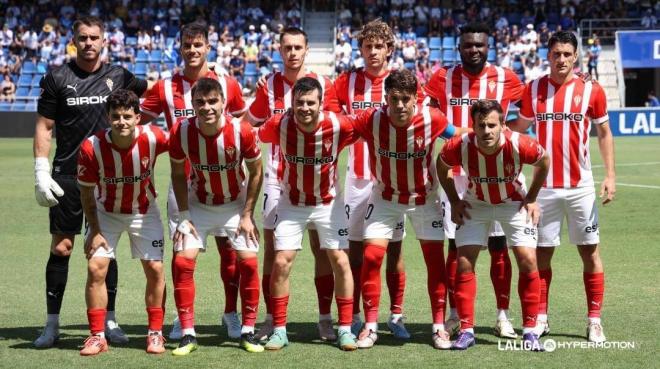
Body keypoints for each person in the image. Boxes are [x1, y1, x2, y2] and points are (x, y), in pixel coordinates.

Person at [32, 15, 151, 348]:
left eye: (94, 38)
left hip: (109, 178)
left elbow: (153, 98)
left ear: (104, 40)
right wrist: (41, 169)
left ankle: (109, 321)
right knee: (62, 246)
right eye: (82, 38)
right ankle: (52, 324)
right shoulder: (57, 78)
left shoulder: (119, 76)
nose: (88, 43)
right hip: (68, 175)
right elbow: (44, 126)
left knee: (104, 250)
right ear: (74, 40)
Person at [140, 21, 248, 341]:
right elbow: (137, 118)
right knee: (183, 254)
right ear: (180, 47)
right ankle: (181, 318)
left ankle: (231, 314)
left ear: (208, 47)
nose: (192, 50)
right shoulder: (164, 87)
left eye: (198, 45)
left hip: (226, 184)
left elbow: (242, 125)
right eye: (187, 45)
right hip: (184, 186)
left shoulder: (227, 84)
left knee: (230, 253)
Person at [512, 31, 615, 343]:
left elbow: (604, 132)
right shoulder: (534, 89)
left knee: (589, 251)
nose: (561, 60)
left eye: (567, 54)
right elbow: (519, 128)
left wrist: (610, 175)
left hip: (580, 187)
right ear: (548, 56)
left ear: (575, 56)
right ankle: (541, 317)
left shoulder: (591, 90)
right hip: (543, 189)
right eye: (556, 54)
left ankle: (594, 320)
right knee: (542, 254)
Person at [424, 22, 526, 339]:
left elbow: (533, 104)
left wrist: (509, 136)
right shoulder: (443, 78)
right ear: (459, 48)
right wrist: (458, 135)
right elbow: (429, 115)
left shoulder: (506, 78)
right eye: (468, 45)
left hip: (499, 173)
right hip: (457, 177)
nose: (474, 50)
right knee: (457, 247)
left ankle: (502, 315)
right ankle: (456, 314)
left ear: (488, 47)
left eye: (480, 45)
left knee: (499, 247)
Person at [351, 69, 462, 350]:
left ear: (416, 98)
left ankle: (438, 327)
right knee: (372, 257)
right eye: (394, 98)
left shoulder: (432, 118)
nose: (399, 105)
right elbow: (340, 130)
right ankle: (371, 326)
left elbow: (459, 136)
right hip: (385, 198)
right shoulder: (371, 119)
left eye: (405, 99)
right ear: (386, 98)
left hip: (424, 199)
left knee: (435, 262)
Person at [245, 27, 343, 343]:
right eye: (287, 47)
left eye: (298, 47)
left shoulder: (322, 85)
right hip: (277, 179)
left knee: (322, 251)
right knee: (274, 253)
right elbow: (250, 124)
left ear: (306, 49)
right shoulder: (268, 85)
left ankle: (325, 320)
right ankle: (273, 319)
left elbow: (336, 127)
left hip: (318, 180)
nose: (292, 53)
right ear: (279, 49)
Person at [436, 99, 550, 351]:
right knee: (464, 261)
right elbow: (441, 165)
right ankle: (466, 331)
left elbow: (544, 162)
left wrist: (531, 197)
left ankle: (530, 332)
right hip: (476, 202)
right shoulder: (460, 145)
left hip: (513, 201)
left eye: (491, 125)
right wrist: (454, 200)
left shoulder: (520, 144)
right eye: (481, 126)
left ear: (502, 125)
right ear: (473, 126)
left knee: (528, 260)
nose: (486, 131)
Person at [256, 77, 358, 351]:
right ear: (291, 104)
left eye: (310, 102)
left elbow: (368, 126)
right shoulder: (279, 124)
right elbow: (256, 136)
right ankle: (279, 330)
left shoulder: (339, 124)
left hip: (329, 203)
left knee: (340, 260)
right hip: (292, 202)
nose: (305, 108)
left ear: (321, 104)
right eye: (299, 103)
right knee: (281, 261)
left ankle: (345, 329)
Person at [168, 77, 264, 355]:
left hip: (235, 205)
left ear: (223, 102)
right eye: (200, 102)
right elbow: (177, 173)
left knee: (248, 263)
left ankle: (248, 330)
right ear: (192, 104)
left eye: (213, 101)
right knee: (183, 261)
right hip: (199, 204)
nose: (207, 107)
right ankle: (188, 333)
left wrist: (247, 214)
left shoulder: (242, 131)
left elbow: (256, 172)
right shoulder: (181, 131)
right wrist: (184, 215)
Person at [333, 19, 415, 338]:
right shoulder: (346, 81)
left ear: (389, 49)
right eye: (367, 46)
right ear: (360, 48)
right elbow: (335, 122)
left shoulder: (400, 82)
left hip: (391, 181)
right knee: (355, 251)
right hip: (357, 179)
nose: (373, 52)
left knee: (393, 251)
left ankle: (395, 316)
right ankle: (354, 315)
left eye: (379, 46)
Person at [77, 90, 168, 356]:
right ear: (108, 117)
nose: (121, 122)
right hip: (105, 212)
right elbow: (85, 194)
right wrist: (94, 230)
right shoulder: (91, 147)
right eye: (115, 116)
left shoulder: (154, 137)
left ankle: (155, 333)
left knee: (155, 269)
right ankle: (97, 336)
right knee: (96, 268)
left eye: (127, 116)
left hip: (144, 210)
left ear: (138, 118)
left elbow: (185, 148)